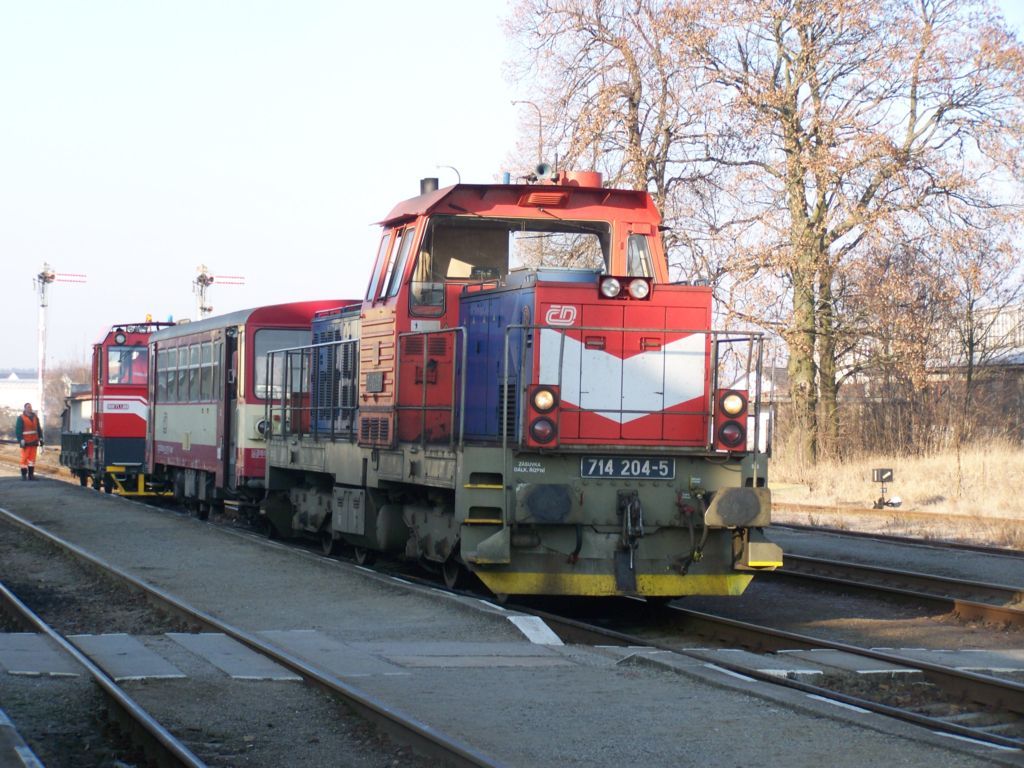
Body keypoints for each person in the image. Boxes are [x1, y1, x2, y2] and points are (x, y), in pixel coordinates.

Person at [15, 402, 42, 480]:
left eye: (30, 407)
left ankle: (31, 475)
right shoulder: (21, 418)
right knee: (24, 458)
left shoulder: (35, 418)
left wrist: (41, 438)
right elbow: (18, 430)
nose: (29, 408)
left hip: (34, 442)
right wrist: (20, 440)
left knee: (32, 459)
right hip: (25, 442)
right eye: (28, 407)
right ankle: (24, 475)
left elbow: (39, 429)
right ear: (25, 408)